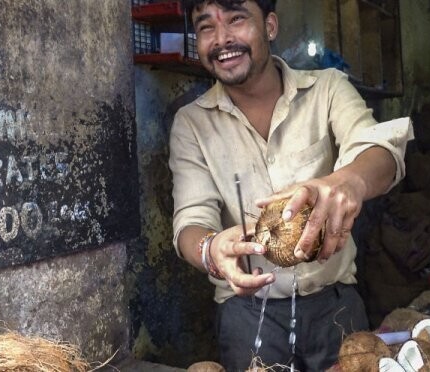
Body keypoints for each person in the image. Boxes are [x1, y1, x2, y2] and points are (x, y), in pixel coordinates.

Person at [169, 0, 413, 370]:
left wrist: (347, 181)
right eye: (206, 27)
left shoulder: (328, 88)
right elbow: (190, 219)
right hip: (246, 315)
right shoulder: (191, 123)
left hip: (335, 305)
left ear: (269, 26)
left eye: (236, 19)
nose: (221, 39)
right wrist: (211, 249)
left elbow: (381, 149)